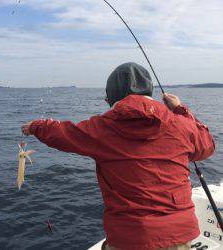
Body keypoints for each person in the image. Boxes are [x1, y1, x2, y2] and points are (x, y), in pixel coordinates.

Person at [22, 62, 215, 250]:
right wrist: (180, 109)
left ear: (112, 98)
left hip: (130, 238)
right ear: (149, 92)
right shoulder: (182, 125)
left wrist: (35, 126)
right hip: (179, 234)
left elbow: (62, 133)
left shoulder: (101, 128)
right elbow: (206, 146)